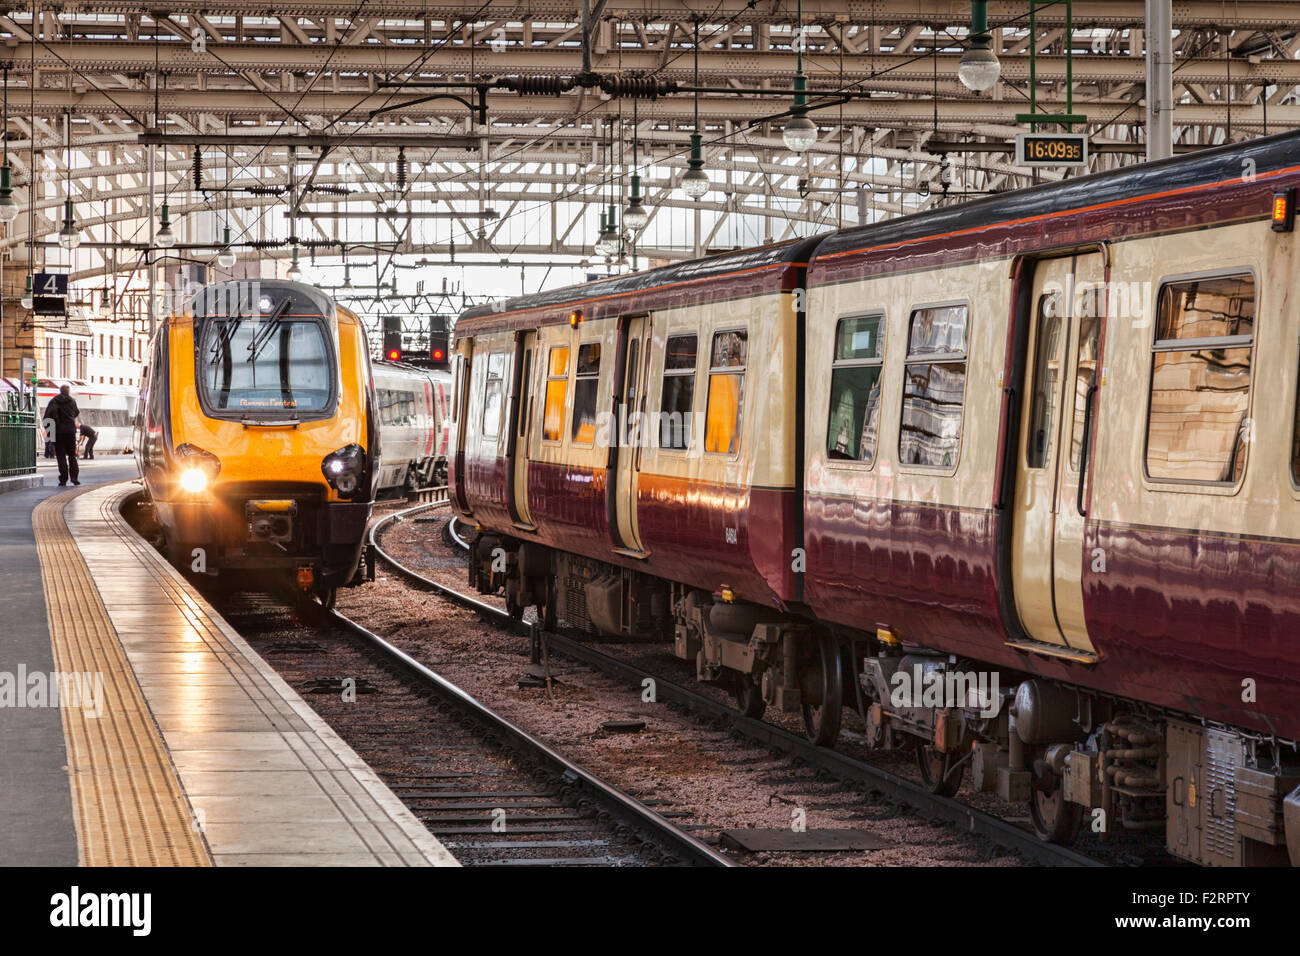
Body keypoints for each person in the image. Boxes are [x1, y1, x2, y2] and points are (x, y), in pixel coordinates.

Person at [43, 385, 80, 486]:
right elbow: (76, 412)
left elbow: (47, 417)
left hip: (59, 432)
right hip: (71, 431)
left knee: (61, 456)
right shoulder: (72, 401)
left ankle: (63, 479)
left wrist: (50, 435)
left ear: (60, 391)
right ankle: (74, 478)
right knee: (72, 455)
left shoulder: (54, 401)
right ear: (68, 391)